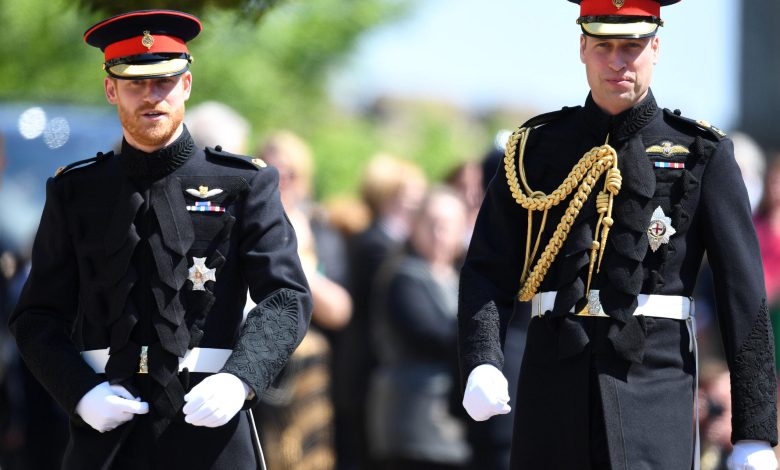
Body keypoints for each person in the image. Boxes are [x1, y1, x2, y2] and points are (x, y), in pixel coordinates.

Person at [457, 1, 778, 469]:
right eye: (603, 45)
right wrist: (483, 358)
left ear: (656, 48)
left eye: (632, 46)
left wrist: (754, 431)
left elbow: (743, 296)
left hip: (653, 392)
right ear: (582, 47)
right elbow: (487, 268)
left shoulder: (700, 152)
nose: (617, 60)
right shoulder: (534, 150)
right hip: (553, 391)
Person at [8, 10, 311, 469]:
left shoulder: (242, 184)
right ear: (111, 89)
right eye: (135, 84)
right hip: (107, 436)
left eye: (164, 82)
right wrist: (80, 392)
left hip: (211, 434)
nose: (152, 97)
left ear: (186, 85)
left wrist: (240, 379)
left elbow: (285, 297)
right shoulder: (76, 191)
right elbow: (36, 316)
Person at [367, 187, 471, 470]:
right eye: (431, 223)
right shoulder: (402, 275)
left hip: (451, 423)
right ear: (415, 225)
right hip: (411, 419)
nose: (439, 232)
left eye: (447, 225)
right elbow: (430, 334)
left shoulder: (459, 277)